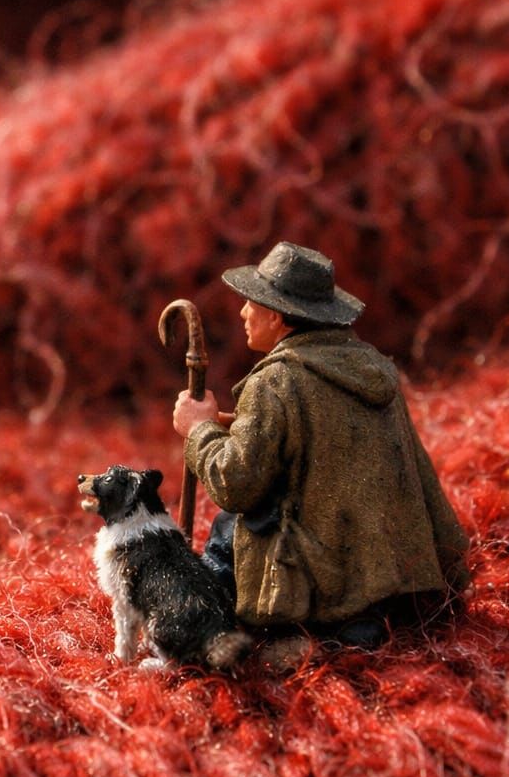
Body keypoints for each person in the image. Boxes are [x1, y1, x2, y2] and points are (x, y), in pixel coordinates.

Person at [172, 241, 469, 647]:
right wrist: (233, 422)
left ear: (275, 316)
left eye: (251, 304)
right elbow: (318, 436)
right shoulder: (370, 368)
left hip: (318, 586)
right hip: (393, 578)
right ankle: (361, 618)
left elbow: (236, 483)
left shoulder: (275, 383)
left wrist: (199, 430)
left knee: (230, 524)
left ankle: (225, 626)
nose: (243, 313)